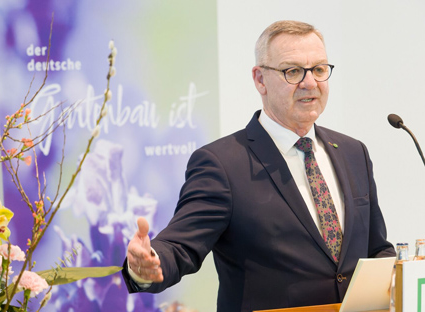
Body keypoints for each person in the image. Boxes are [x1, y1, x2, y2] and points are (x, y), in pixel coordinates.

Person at [122, 20, 395, 311]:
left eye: (318, 69)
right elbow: (180, 246)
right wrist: (146, 266)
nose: (310, 83)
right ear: (260, 80)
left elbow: (376, 248)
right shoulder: (222, 164)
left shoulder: (354, 153)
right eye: (292, 71)